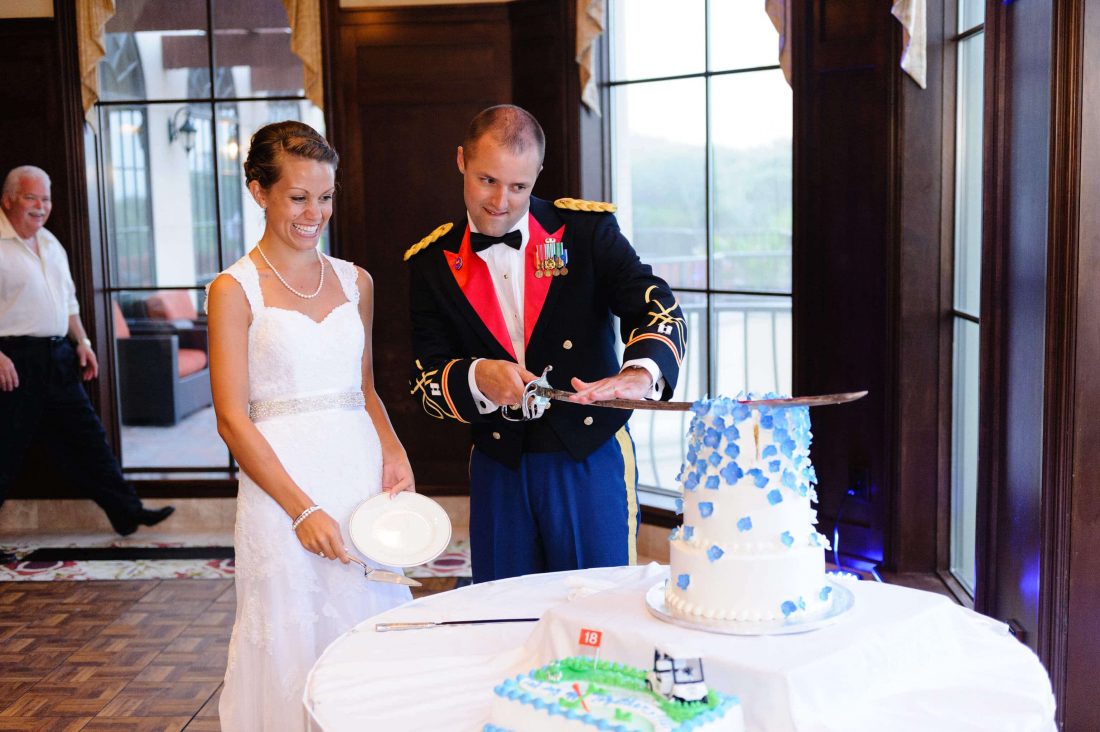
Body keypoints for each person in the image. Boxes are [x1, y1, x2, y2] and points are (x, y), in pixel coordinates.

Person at [406, 105, 687, 583]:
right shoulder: (430, 262)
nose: (501, 202)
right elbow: (424, 379)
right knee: (504, 612)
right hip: (499, 462)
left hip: (589, 454)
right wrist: (479, 377)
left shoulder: (584, 231)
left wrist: (638, 373)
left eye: (519, 186)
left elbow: (654, 304)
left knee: (597, 608)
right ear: (461, 161)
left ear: (538, 173)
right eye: (487, 180)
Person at [206, 121, 414, 732]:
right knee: (293, 636)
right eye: (299, 197)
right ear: (258, 191)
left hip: (356, 480)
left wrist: (394, 451)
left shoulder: (357, 282)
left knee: (365, 628)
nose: (314, 212)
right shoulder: (233, 290)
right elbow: (231, 420)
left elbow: (366, 388)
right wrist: (300, 510)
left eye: (325, 197)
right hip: (281, 495)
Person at [0, 165, 174, 561]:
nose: (41, 207)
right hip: (13, 360)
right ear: (8, 198)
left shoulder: (48, 241)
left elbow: (68, 302)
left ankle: (128, 514)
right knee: (5, 451)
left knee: (89, 438)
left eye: (46, 199)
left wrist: (83, 342)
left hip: (58, 355)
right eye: (32, 198)